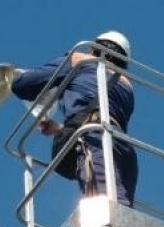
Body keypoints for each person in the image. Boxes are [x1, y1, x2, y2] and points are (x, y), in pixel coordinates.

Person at [11, 30, 139, 206]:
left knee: (106, 209)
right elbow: (103, 118)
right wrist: (60, 130)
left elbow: (24, 85)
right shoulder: (126, 85)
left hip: (96, 142)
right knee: (122, 210)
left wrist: (11, 76)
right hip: (123, 150)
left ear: (95, 49)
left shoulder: (80, 60)